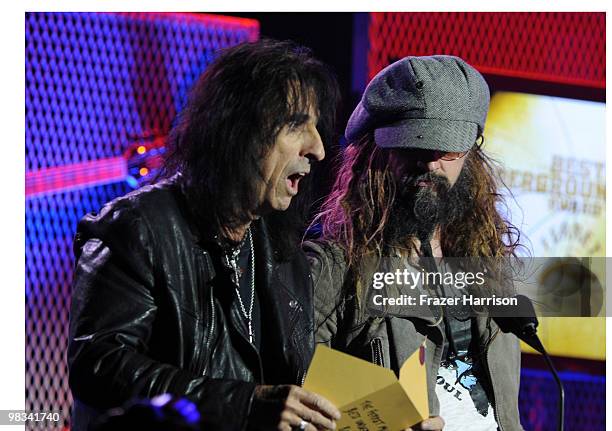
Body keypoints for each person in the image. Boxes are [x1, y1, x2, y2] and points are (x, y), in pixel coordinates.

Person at [68, 39, 342, 431]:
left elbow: (297, 392)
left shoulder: (284, 253)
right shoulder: (138, 228)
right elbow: (99, 363)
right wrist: (242, 406)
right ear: (240, 130)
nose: (317, 148)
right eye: (298, 125)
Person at [306, 56, 524, 431]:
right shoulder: (334, 267)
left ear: (472, 154)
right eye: (414, 147)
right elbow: (296, 400)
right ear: (378, 153)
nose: (431, 163)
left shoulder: (489, 263)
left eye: (448, 150)